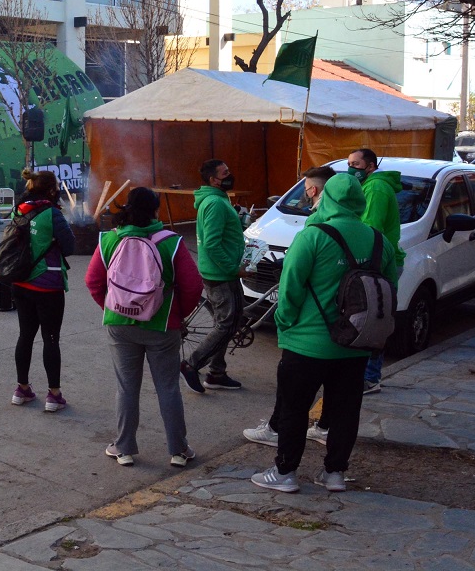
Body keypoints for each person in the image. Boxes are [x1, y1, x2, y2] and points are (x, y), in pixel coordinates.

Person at [251, 174, 398, 493]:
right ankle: (335, 474)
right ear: (359, 202)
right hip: (356, 344)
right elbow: (390, 286)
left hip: (307, 344)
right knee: (345, 410)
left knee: (294, 407)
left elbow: (290, 289)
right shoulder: (377, 240)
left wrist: (284, 323)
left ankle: (286, 473)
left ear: (326, 198)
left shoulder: (312, 236)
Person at [86, 187, 203, 467]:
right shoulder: (171, 242)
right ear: (155, 210)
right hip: (162, 326)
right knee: (168, 387)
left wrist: (113, 309)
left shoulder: (110, 240)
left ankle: (123, 448)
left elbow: (93, 281)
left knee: (126, 387)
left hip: (120, 326)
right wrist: (178, 315)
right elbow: (193, 285)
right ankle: (178, 450)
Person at [242, 166, 336, 447]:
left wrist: (284, 319)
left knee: (293, 389)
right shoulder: (365, 231)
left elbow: (293, 282)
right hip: (346, 327)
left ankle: (280, 446)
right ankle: (325, 433)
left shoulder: (314, 229)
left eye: (307, 187)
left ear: (313, 190)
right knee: (334, 385)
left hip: (309, 325)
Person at [10, 169, 75, 413]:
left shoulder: (19, 209)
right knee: (50, 338)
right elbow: (69, 246)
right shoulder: (52, 213)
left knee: (25, 335)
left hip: (20, 281)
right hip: (48, 284)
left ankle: (22, 389)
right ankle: (54, 394)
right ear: (51, 189)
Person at [180, 159, 246, 394]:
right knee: (227, 325)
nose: (230, 175)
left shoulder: (218, 200)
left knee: (228, 322)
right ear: (213, 180)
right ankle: (192, 364)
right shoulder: (215, 203)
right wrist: (233, 268)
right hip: (221, 273)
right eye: (225, 173)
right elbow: (212, 243)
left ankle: (217, 373)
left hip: (220, 270)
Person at [347, 148, 404, 394]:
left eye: (356, 164)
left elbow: (370, 229)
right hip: (376, 262)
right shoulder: (370, 186)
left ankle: (370, 378)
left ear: (370, 166)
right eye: (349, 163)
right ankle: (366, 375)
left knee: (373, 318)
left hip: (379, 263)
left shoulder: (376, 188)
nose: (351, 168)